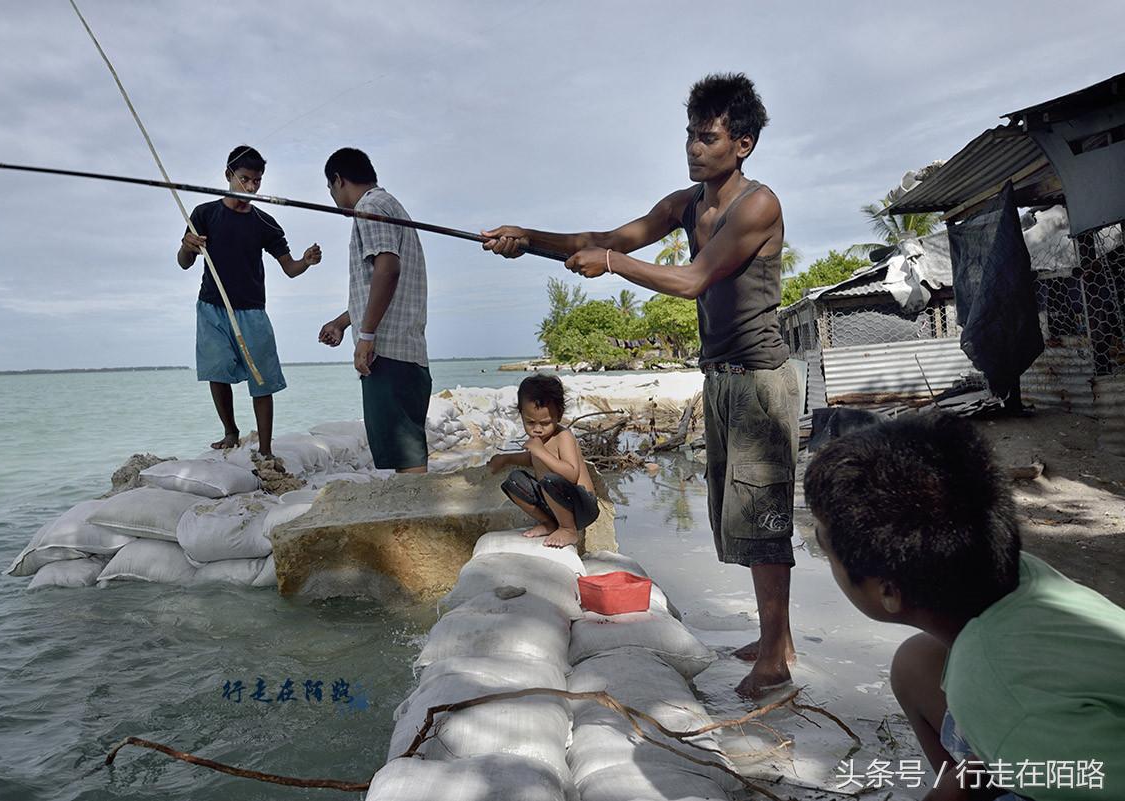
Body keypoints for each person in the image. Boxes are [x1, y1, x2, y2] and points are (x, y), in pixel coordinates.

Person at [482, 73, 797, 697]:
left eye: (707, 137)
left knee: (763, 516)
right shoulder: (683, 205)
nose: (693, 148)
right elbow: (601, 240)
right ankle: (773, 637)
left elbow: (692, 279)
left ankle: (777, 654)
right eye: (689, 135)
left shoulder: (758, 205)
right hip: (721, 379)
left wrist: (612, 265)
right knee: (739, 516)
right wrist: (529, 241)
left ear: (744, 143)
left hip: (760, 382)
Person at [804, 413, 1125, 801]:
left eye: (826, 548)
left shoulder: (988, 684)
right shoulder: (1020, 577)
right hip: (1065, 734)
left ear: (888, 591)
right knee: (916, 662)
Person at [178, 145, 321, 457]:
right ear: (228, 175)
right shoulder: (204, 214)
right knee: (217, 371)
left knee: (263, 380)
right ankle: (231, 432)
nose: (251, 187)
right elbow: (183, 262)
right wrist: (188, 245)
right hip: (212, 306)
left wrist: (305, 261)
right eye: (245, 179)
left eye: (257, 181)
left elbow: (290, 269)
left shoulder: (265, 223)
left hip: (252, 310)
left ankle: (266, 450)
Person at [317, 148, 430, 473]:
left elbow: (387, 270)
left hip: (388, 354)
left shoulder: (370, 206)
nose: (333, 196)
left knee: (408, 465)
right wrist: (342, 322)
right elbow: (380, 284)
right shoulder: (390, 205)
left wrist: (365, 336)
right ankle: (414, 519)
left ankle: (416, 523)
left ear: (338, 180)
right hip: (406, 353)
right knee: (406, 459)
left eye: (330, 188)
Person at [488, 374, 599, 548]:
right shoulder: (539, 439)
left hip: (581, 507)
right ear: (521, 414)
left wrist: (540, 451)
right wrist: (506, 458)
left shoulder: (563, 437)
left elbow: (571, 474)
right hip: (554, 505)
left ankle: (568, 530)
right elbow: (532, 460)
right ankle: (549, 523)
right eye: (530, 422)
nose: (537, 429)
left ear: (559, 415)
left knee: (550, 479)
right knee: (514, 481)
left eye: (545, 423)